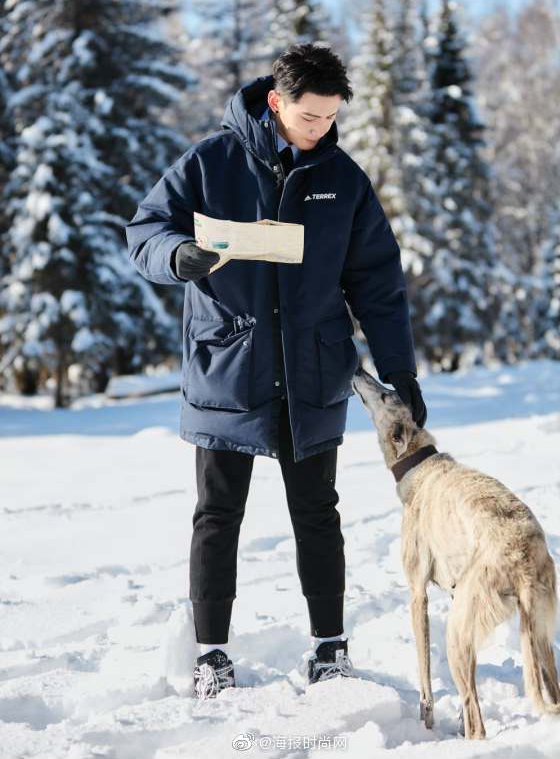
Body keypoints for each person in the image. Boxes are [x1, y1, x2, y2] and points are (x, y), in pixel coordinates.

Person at [125, 42, 427, 700]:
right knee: (218, 514)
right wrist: (178, 255)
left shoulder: (342, 178)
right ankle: (211, 655)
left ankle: (329, 648)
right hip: (226, 367)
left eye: (330, 117)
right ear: (276, 101)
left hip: (312, 373)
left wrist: (401, 376)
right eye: (309, 116)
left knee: (318, 511)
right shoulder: (211, 162)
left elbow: (377, 284)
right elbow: (143, 231)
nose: (321, 128)